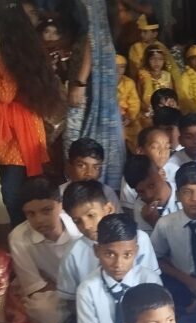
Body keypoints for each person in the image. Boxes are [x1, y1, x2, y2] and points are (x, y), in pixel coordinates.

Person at [0, 0, 66, 228]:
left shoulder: (5, 57)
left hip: (20, 133)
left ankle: (23, 235)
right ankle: (24, 236)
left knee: (14, 194)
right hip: (10, 131)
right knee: (17, 190)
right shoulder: (12, 53)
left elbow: (5, 94)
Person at [8, 176, 83, 323]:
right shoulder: (18, 237)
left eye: (46, 211)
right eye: (31, 214)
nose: (39, 220)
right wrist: (68, 294)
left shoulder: (79, 227)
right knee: (43, 309)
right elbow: (34, 286)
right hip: (53, 293)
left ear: (60, 205)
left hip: (84, 288)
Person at [67, 0, 126, 189]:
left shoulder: (91, 6)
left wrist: (80, 82)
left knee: (75, 142)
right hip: (88, 84)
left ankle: (91, 191)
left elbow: (92, 38)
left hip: (87, 87)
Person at [151, 162, 196, 311]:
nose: (194, 199)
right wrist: (186, 279)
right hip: (180, 282)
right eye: (187, 192)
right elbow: (155, 258)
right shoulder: (165, 224)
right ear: (177, 195)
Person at [60, 138, 123, 210]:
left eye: (96, 167)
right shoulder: (58, 196)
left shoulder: (107, 194)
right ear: (69, 166)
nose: (89, 173)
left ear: (101, 171)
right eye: (81, 166)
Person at [115, 55, 142, 152]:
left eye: (121, 67)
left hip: (127, 117)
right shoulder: (104, 83)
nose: (118, 70)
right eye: (115, 67)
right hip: (111, 119)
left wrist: (129, 117)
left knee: (137, 131)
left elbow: (134, 103)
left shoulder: (129, 82)